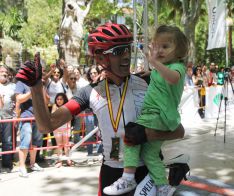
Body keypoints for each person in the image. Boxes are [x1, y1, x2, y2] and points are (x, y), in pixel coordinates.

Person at [15, 23, 185, 195]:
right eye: (119, 52)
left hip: (148, 173)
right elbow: (46, 126)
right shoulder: (89, 92)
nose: (127, 56)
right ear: (100, 57)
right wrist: (36, 87)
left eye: (128, 49)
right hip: (112, 174)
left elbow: (179, 131)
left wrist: (147, 135)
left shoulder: (149, 83)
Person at [103, 25, 189, 195]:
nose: (160, 51)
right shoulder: (159, 70)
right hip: (160, 118)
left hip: (157, 115)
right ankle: (163, 186)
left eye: (166, 47)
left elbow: (173, 78)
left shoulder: (177, 67)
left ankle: (128, 177)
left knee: (132, 136)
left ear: (179, 51)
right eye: (158, 46)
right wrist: (151, 71)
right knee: (150, 154)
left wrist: (155, 63)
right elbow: (162, 79)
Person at [15, 61, 44, 178]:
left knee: (36, 142)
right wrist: (30, 92)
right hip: (26, 116)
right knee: (25, 141)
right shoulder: (21, 82)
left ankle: (32, 164)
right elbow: (18, 99)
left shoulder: (37, 82)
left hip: (37, 116)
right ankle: (22, 167)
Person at [0, 65, 16, 172]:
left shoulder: (13, 86)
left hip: (8, 118)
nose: (3, 73)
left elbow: (16, 101)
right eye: (1, 71)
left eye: (5, 72)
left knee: (8, 142)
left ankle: (7, 164)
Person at [52, 93, 72, 167]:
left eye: (61, 99)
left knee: (66, 145)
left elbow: (69, 118)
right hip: (57, 129)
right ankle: (59, 160)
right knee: (59, 145)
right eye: (57, 99)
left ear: (64, 100)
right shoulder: (54, 106)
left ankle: (68, 159)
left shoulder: (67, 106)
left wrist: (69, 128)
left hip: (66, 128)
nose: (59, 101)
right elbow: (53, 116)